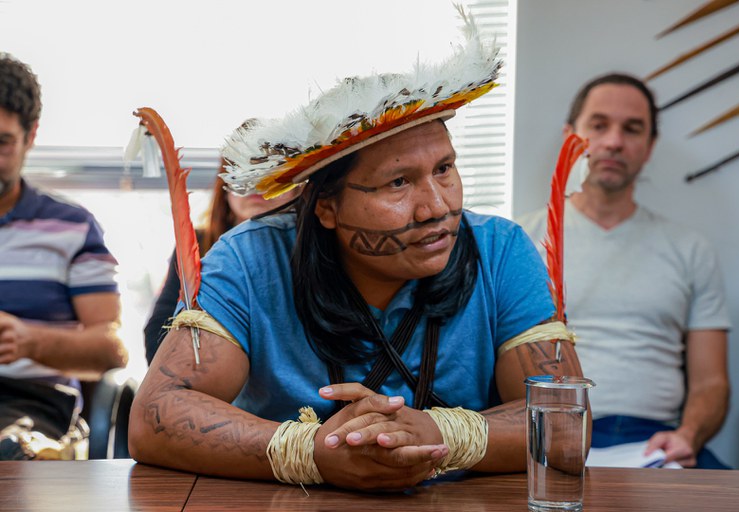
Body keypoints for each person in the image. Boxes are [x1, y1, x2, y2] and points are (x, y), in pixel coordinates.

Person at [128, 15, 586, 491]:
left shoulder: (501, 251)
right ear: (325, 206)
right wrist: (311, 453)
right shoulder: (250, 261)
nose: (438, 206)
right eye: (399, 182)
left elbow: (567, 428)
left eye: (445, 168)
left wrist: (441, 433)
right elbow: (156, 416)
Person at [519, 73, 731, 469]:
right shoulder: (518, 242)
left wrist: (688, 436)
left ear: (650, 147)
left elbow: (711, 382)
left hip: (656, 442)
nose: (614, 141)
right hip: (546, 434)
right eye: (598, 125)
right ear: (571, 135)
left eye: (632, 129)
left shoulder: (691, 249)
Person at [0, 53, 127, 459]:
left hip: (32, 405)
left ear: (30, 135)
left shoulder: (72, 227)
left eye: (1, 142)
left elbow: (110, 350)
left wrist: (29, 341)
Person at [143, 170, 300, 364]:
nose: (257, 183)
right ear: (225, 184)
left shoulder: (309, 251)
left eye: (273, 171)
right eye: (242, 171)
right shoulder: (195, 244)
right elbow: (158, 332)